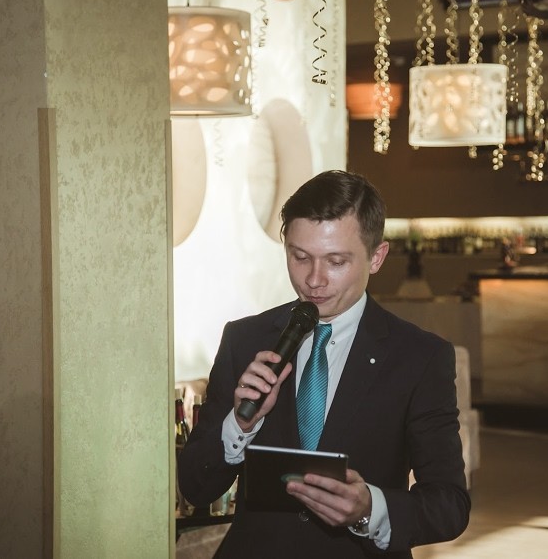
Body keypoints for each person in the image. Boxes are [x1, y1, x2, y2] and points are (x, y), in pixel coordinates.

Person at [178, 170, 470, 558]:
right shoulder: (244, 340)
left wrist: (370, 509)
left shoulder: (420, 357)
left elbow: (449, 504)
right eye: (300, 257)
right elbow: (195, 487)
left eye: (335, 261)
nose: (313, 280)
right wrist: (240, 425)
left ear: (377, 257)